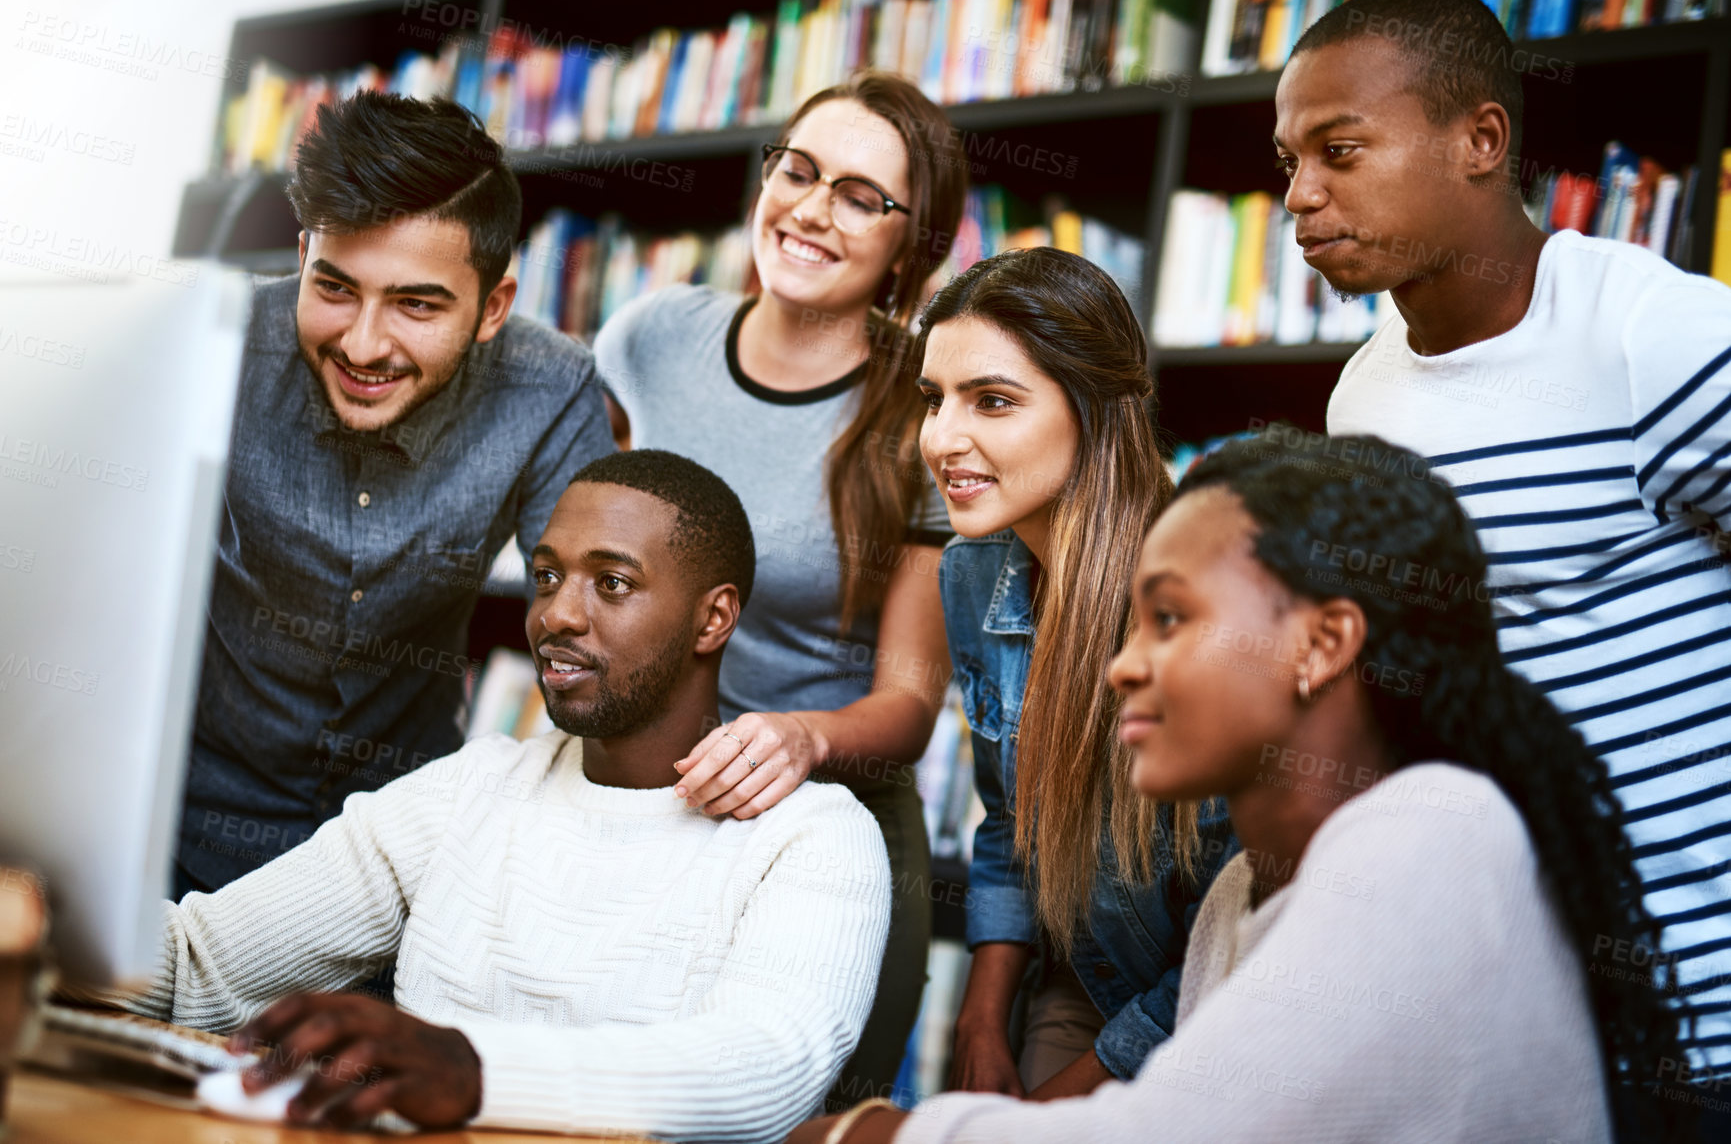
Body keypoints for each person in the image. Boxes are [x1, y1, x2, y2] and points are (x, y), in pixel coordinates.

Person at [792, 427, 1691, 1143]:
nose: (1120, 668)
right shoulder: (1236, 892)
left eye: (1171, 618)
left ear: (1320, 643)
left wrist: (870, 1132)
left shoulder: (1432, 833)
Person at [122, 451, 890, 1142]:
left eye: (612, 582)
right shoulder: (471, 787)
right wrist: (35, 913)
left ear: (712, 618)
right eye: (548, 574)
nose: (555, 614)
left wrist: (468, 1067)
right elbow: (199, 969)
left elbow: (762, 1069)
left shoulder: (814, 838)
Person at [1275, 0, 1731, 1078]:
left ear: (1482, 139)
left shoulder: (1654, 335)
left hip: (1707, 1023)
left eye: (1341, 151)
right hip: (1520, 1029)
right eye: (1289, 159)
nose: (1299, 195)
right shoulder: (1361, 401)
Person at [592, 69, 968, 1105]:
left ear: (912, 242)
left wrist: (798, 737)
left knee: (808, 1118)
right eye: (799, 170)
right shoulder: (649, 337)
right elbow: (594, 562)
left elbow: (905, 708)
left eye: (860, 196)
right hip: (654, 803)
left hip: (829, 819)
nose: (810, 209)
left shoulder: (926, 410)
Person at [181, 91, 614, 897]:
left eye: (416, 304)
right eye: (335, 287)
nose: (363, 343)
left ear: (492, 308)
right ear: (303, 250)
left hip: (401, 855)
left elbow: (601, 617)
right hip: (185, 827)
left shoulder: (549, 387)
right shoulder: (209, 344)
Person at [914, 249, 1235, 1101]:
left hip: (1217, 1008)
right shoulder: (971, 572)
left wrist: (1064, 1103)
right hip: (1084, 979)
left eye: (991, 400)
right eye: (932, 399)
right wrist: (982, 1017)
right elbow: (1011, 825)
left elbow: (1235, 934)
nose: (943, 438)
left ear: (1093, 410)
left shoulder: (1214, 605)